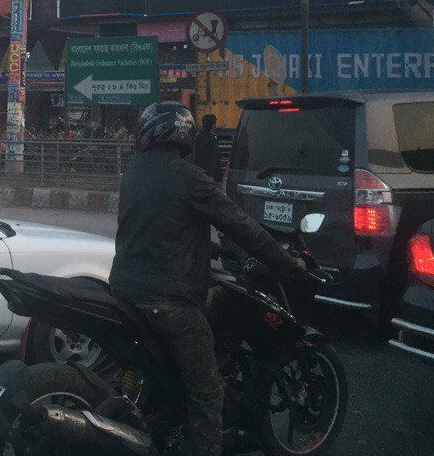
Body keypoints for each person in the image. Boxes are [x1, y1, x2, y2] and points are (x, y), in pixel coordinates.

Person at [109, 102, 306, 456]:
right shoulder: (189, 176)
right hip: (167, 301)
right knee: (207, 388)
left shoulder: (134, 171)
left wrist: (209, 248)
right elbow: (242, 226)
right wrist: (287, 264)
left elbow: (161, 227)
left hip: (125, 290)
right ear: (183, 135)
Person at [192, 113, 222, 183]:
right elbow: (214, 159)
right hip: (210, 175)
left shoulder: (198, 137)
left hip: (199, 172)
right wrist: (218, 177)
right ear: (213, 125)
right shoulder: (213, 139)